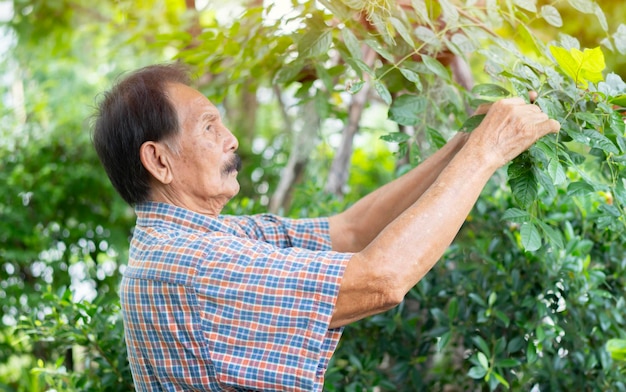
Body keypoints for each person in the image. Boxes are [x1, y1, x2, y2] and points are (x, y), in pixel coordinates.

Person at [92, 63, 559, 391]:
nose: (230, 139)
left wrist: (465, 143)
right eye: (209, 128)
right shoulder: (191, 264)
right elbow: (380, 279)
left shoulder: (203, 238)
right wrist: (489, 153)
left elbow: (352, 231)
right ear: (158, 160)